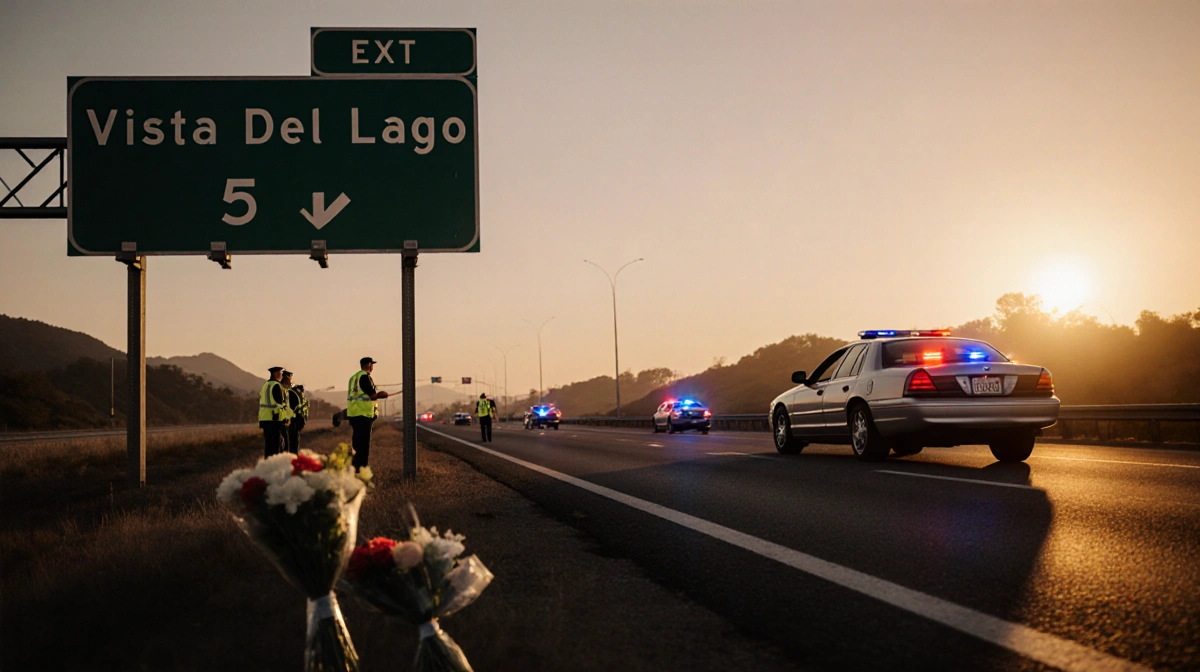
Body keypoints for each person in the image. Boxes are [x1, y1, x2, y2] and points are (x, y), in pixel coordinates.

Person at [347, 357, 388, 468]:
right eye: (372, 364)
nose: (373, 367)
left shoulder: (353, 378)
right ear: (369, 365)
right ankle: (361, 469)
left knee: (356, 444)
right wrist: (381, 395)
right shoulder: (365, 377)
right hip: (364, 416)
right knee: (363, 446)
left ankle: (354, 467)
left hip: (354, 415)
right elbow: (372, 395)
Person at [258, 366, 292, 458]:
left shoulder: (265, 385)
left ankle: (267, 467)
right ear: (277, 374)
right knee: (276, 448)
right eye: (281, 373)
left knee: (268, 447)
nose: (282, 375)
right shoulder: (277, 386)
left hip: (265, 419)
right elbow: (279, 405)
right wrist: (285, 418)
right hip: (274, 420)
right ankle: (273, 468)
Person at [283, 372, 308, 453]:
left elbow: (290, 409)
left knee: (289, 447)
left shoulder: (290, 392)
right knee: (294, 446)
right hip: (299, 421)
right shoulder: (297, 390)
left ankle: (290, 463)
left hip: (291, 422)